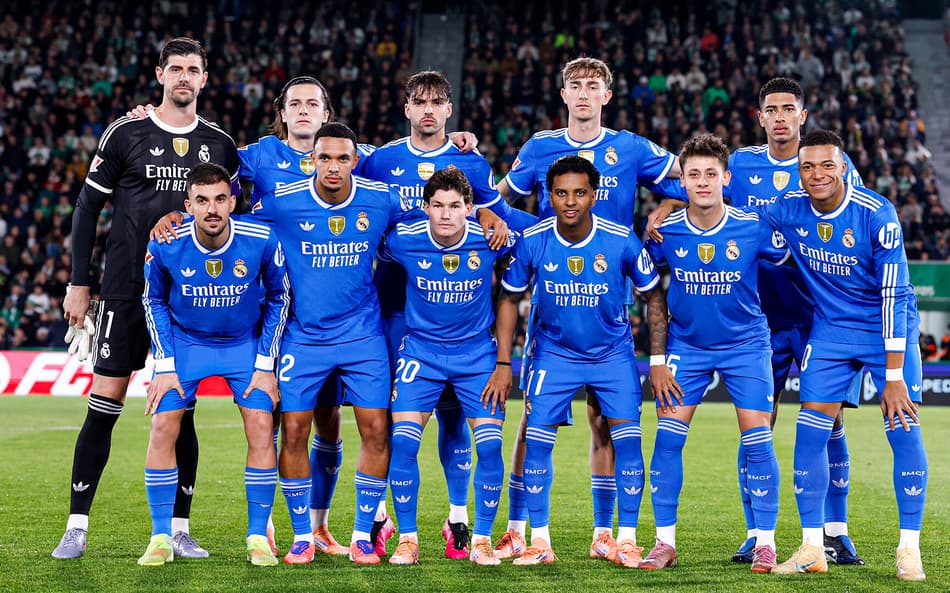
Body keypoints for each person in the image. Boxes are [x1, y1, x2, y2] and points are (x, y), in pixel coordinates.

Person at [648, 77, 866, 565]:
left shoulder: (832, 164)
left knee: (829, 426)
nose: (782, 116)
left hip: (817, 316)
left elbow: (855, 219)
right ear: (761, 117)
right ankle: (757, 533)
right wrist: (665, 206)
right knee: (758, 425)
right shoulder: (739, 164)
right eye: (773, 109)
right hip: (756, 316)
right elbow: (680, 187)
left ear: (804, 115)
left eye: (790, 108)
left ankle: (835, 530)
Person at [53, 37, 241, 560]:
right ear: (160, 74)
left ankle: (179, 529)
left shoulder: (220, 145)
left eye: (193, 70)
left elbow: (239, 212)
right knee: (104, 404)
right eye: (175, 68)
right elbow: (87, 209)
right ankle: (76, 526)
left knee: (181, 412)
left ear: (205, 78)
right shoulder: (126, 132)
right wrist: (78, 281)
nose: (184, 77)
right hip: (124, 292)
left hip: (192, 299)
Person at [492, 57, 681, 560]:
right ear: (563, 94)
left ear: (607, 95)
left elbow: (689, 181)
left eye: (592, 86)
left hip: (611, 301)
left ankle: (606, 534)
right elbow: (497, 198)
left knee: (606, 424)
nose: (582, 93)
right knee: (534, 424)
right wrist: (512, 228)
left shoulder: (630, 147)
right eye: (574, 85)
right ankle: (518, 527)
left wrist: (665, 205)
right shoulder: (539, 146)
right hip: (552, 300)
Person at [360, 70, 527, 559]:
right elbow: (336, 169)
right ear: (407, 108)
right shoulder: (380, 159)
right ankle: (382, 520)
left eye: (437, 102)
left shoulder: (469, 161)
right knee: (387, 424)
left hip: (466, 328)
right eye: (419, 101)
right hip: (396, 312)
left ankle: (459, 522)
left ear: (450, 109)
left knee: (458, 423)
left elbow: (504, 220)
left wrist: (496, 218)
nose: (428, 110)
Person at [763, 131, 927, 581]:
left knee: (903, 426)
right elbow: (737, 228)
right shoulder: (787, 209)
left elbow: (894, 293)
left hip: (885, 328)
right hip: (832, 331)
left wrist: (893, 375)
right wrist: (671, 213)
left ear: (844, 166)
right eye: (807, 167)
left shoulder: (877, 213)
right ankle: (813, 547)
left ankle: (908, 549)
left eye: (827, 166)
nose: (817, 175)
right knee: (810, 432)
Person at [251, 122, 414, 565]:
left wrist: (492, 214)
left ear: (355, 160)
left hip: (363, 337)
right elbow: (230, 224)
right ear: (312, 160)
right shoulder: (283, 203)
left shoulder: (380, 200)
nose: (334, 167)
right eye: (325, 158)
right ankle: (303, 535)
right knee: (296, 432)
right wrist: (175, 218)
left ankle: (362, 534)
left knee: (378, 430)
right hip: (303, 337)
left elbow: (433, 222)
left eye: (343, 158)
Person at [641, 134, 787, 572]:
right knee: (667, 440)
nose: (702, 182)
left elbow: (791, 263)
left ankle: (765, 542)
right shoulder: (665, 232)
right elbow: (649, 294)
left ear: (726, 178)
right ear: (681, 182)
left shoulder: (754, 226)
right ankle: (664, 542)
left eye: (710, 174)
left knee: (758, 440)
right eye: (693, 175)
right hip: (687, 347)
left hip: (747, 345)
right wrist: (658, 359)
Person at [381, 167, 536, 566]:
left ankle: (481, 539)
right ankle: (408, 540)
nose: (446, 214)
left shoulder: (491, 239)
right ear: (425, 208)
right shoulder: (405, 239)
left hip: (477, 358)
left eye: (454, 206)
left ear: (469, 207)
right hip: (421, 354)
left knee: (488, 446)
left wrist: (494, 213)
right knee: (402, 442)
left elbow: (542, 233)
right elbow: (364, 237)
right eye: (437, 206)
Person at [137, 163, 289, 566]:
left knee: (260, 425)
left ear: (233, 201)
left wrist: (265, 363)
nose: (212, 209)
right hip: (187, 345)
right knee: (163, 424)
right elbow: (152, 300)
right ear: (188, 205)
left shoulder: (260, 238)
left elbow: (279, 297)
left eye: (220, 199)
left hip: (243, 345)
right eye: (202, 201)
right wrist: (165, 363)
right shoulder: (167, 243)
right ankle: (160, 536)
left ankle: (258, 536)